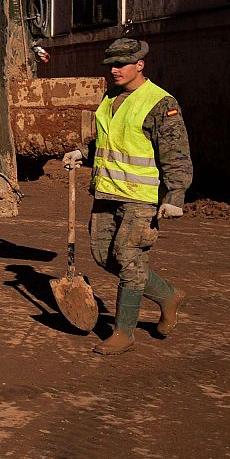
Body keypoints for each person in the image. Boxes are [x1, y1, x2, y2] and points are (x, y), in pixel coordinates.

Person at [62, 37, 192, 355]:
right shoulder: (110, 98)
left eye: (121, 65)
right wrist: (82, 152)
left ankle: (123, 333)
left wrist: (175, 196)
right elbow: (109, 141)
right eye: (111, 65)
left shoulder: (161, 103)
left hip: (141, 197)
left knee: (130, 258)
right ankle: (167, 295)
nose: (115, 70)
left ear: (140, 65)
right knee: (104, 254)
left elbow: (176, 154)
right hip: (106, 191)